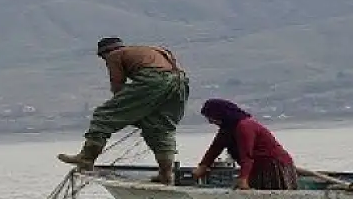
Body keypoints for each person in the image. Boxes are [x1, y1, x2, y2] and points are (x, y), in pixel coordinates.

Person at [57, 37, 190, 181]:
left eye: (103, 57)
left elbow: (117, 85)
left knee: (103, 115)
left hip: (155, 80)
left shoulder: (114, 55)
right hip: (180, 82)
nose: (104, 60)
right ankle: (165, 174)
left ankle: (87, 158)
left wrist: (122, 110)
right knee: (159, 126)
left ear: (106, 52)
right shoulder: (151, 50)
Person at [194, 98, 298, 190]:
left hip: (273, 167)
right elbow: (215, 149)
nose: (210, 121)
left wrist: (243, 179)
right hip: (256, 168)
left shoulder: (244, 126)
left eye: (210, 117)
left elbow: (247, 155)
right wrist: (203, 166)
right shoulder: (227, 129)